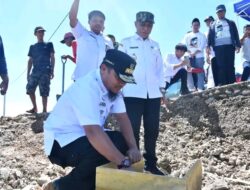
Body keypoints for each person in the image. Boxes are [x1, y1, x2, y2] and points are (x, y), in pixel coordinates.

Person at [42, 49, 141, 190]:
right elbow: (93, 133)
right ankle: (63, 186)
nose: (122, 84)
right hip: (61, 142)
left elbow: (123, 119)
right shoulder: (87, 87)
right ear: (104, 68)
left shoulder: (114, 89)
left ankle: (97, 182)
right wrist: (123, 163)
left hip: (83, 137)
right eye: (119, 78)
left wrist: (133, 147)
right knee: (101, 150)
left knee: (122, 142)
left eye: (125, 81)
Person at [119, 11, 165, 175]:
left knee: (152, 130)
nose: (146, 28)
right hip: (132, 93)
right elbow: (121, 68)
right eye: (143, 25)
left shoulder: (155, 45)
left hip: (152, 94)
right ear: (136, 24)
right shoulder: (126, 43)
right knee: (132, 129)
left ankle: (151, 164)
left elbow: (160, 69)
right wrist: (121, 89)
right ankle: (133, 164)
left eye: (149, 25)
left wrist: (162, 88)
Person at [69, 0, 113, 80]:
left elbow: (112, 61)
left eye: (101, 21)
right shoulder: (82, 33)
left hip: (101, 83)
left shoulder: (108, 40)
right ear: (89, 22)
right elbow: (72, 18)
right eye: (95, 20)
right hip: (82, 81)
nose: (98, 23)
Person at [207, 4, 241, 86]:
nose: (220, 13)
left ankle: (232, 82)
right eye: (218, 12)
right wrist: (208, 46)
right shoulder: (213, 24)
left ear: (225, 12)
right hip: (218, 48)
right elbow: (210, 35)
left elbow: (236, 34)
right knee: (221, 65)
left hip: (230, 46)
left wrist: (238, 45)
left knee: (230, 64)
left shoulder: (231, 22)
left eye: (221, 11)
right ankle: (223, 84)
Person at [26, 26, 55, 113]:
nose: (41, 33)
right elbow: (30, 60)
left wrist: (52, 70)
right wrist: (28, 74)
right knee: (29, 89)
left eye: (42, 32)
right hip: (35, 71)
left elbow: (52, 57)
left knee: (44, 91)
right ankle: (35, 108)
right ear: (35, 34)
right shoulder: (32, 47)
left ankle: (44, 110)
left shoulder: (49, 44)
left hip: (45, 71)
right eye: (39, 32)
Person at [182, 18, 207, 92]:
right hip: (188, 56)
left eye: (197, 25)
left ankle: (200, 87)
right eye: (194, 25)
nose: (195, 26)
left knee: (200, 71)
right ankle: (191, 88)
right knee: (188, 71)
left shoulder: (202, 35)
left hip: (199, 56)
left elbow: (202, 46)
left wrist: (194, 53)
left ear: (199, 26)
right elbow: (184, 45)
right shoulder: (187, 36)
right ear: (191, 26)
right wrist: (190, 53)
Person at [204, 16, 218, 88]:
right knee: (213, 70)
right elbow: (206, 46)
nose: (208, 22)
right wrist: (207, 56)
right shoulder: (205, 33)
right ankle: (214, 86)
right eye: (207, 21)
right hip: (212, 54)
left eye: (209, 20)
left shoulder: (217, 28)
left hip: (220, 52)